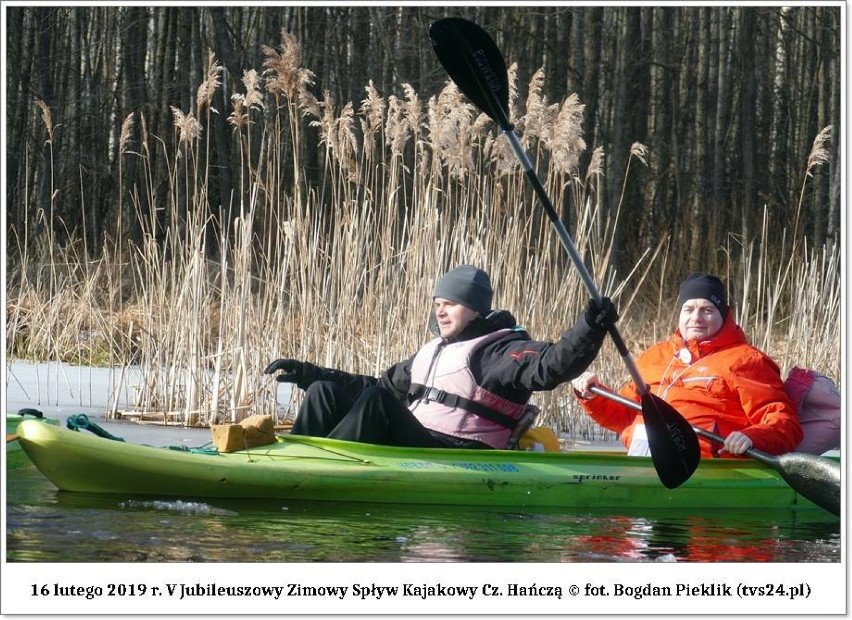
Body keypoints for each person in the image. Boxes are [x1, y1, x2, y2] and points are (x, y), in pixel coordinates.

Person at [265, 264, 618, 449]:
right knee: (324, 392)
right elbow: (377, 386)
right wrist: (312, 374)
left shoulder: (501, 350)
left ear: (476, 309)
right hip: (420, 440)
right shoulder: (432, 352)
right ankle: (298, 461)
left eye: (450, 304)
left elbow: (552, 365)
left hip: (456, 451)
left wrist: (591, 326)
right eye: (437, 305)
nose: (441, 312)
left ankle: (324, 468)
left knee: (377, 403)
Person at [571, 273, 803, 458]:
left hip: (704, 467)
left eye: (707, 310)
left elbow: (785, 424)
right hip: (644, 462)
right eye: (688, 309)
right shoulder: (654, 356)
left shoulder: (746, 361)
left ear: (723, 316)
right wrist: (594, 396)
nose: (696, 318)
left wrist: (752, 437)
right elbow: (623, 416)